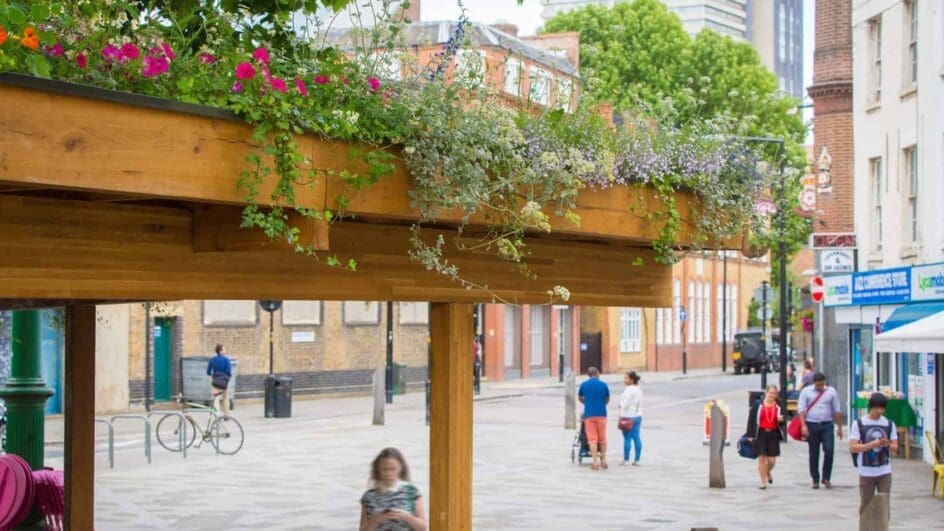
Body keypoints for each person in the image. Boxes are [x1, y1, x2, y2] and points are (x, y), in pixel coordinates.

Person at [850, 393, 898, 517]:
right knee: (866, 504)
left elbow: (895, 448)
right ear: (871, 407)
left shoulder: (889, 424)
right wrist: (871, 445)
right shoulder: (859, 423)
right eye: (876, 408)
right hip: (866, 471)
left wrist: (887, 444)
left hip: (884, 470)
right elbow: (853, 447)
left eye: (882, 408)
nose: (879, 411)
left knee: (884, 505)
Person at [359, 448, 427, 531]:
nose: (389, 474)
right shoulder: (369, 496)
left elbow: (423, 528)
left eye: (393, 469)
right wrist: (376, 520)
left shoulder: (412, 492)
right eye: (384, 469)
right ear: (377, 470)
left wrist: (406, 517)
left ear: (400, 468)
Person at [797, 372, 844, 489]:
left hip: (827, 425)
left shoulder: (831, 392)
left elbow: (837, 410)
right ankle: (815, 479)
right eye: (818, 385)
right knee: (814, 453)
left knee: (829, 450)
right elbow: (801, 410)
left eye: (822, 385)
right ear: (814, 382)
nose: (820, 387)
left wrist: (839, 427)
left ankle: (826, 478)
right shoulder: (806, 392)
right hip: (811, 424)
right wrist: (803, 426)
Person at [746, 385, 784, 489]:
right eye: (771, 393)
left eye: (775, 393)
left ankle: (767, 472)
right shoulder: (758, 404)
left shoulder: (779, 405)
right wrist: (750, 434)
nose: (773, 395)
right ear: (766, 393)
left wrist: (781, 421)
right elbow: (751, 419)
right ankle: (763, 482)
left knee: (772, 460)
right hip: (760, 433)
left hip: (773, 434)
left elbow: (782, 422)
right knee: (762, 458)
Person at [578, 366, 610, 471]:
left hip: (589, 415)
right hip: (601, 414)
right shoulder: (604, 385)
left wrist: (586, 403)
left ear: (588, 375)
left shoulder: (584, 385)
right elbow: (607, 399)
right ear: (598, 373)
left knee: (592, 440)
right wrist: (602, 404)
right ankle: (603, 461)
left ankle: (595, 463)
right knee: (603, 439)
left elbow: (580, 397)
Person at [618, 370, 643, 466]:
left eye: (626, 378)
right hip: (637, 416)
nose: (624, 380)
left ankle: (626, 459)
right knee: (636, 437)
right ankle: (637, 459)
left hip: (627, 416)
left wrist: (620, 404)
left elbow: (625, 404)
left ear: (632, 380)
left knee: (627, 438)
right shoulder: (638, 389)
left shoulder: (629, 390)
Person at [206, 344, 232, 417]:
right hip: (224, 381)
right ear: (220, 351)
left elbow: (208, 372)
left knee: (216, 398)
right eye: (224, 349)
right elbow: (229, 372)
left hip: (215, 381)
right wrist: (227, 378)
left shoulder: (212, 360)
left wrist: (212, 378)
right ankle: (226, 415)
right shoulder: (226, 360)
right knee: (225, 398)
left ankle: (217, 414)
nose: (225, 350)